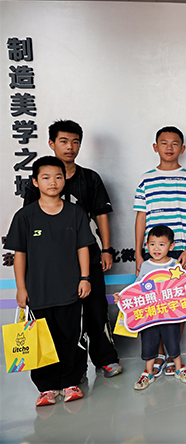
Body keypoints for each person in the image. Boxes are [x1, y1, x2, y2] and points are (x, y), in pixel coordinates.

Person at [23, 120, 122, 378]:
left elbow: (101, 215)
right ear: (51, 143)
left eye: (75, 142)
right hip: (53, 263)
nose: (70, 147)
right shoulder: (38, 181)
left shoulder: (89, 178)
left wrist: (106, 249)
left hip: (88, 255)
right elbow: (30, 221)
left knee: (96, 309)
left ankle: (105, 359)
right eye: (64, 141)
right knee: (61, 318)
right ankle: (67, 370)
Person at [7, 156, 94, 406]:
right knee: (41, 341)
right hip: (38, 292)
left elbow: (83, 247)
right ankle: (46, 387)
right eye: (45, 177)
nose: (53, 182)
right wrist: (21, 288)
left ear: (65, 180)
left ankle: (70, 383)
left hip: (70, 290)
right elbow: (20, 254)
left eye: (58, 177)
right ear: (35, 182)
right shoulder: (25, 216)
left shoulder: (75, 213)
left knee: (70, 338)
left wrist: (85, 278)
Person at [134, 126, 186, 375]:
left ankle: (174, 355)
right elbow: (141, 216)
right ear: (156, 147)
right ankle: (159, 354)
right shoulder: (146, 179)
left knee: (179, 304)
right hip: (152, 254)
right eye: (164, 143)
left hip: (180, 251)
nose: (169, 147)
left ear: (182, 148)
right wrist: (139, 253)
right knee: (154, 304)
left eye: (174, 143)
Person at [116, 225, 186, 390]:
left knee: (172, 340)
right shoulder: (145, 265)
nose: (156, 248)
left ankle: (179, 368)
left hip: (169, 314)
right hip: (149, 314)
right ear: (146, 245)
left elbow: (183, 285)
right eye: (152, 244)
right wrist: (122, 296)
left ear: (171, 246)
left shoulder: (175, 265)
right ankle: (148, 372)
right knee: (149, 341)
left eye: (161, 244)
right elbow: (137, 287)